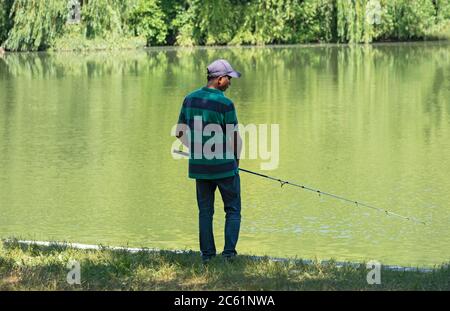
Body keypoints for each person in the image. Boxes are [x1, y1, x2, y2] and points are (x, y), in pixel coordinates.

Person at [176, 59, 243, 263]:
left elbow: (180, 132)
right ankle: (229, 254)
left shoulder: (189, 99)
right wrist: (235, 162)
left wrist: (198, 149)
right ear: (220, 80)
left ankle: (207, 256)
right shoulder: (225, 104)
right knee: (232, 210)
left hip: (200, 168)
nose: (230, 82)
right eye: (229, 79)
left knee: (205, 212)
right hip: (224, 167)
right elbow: (234, 138)